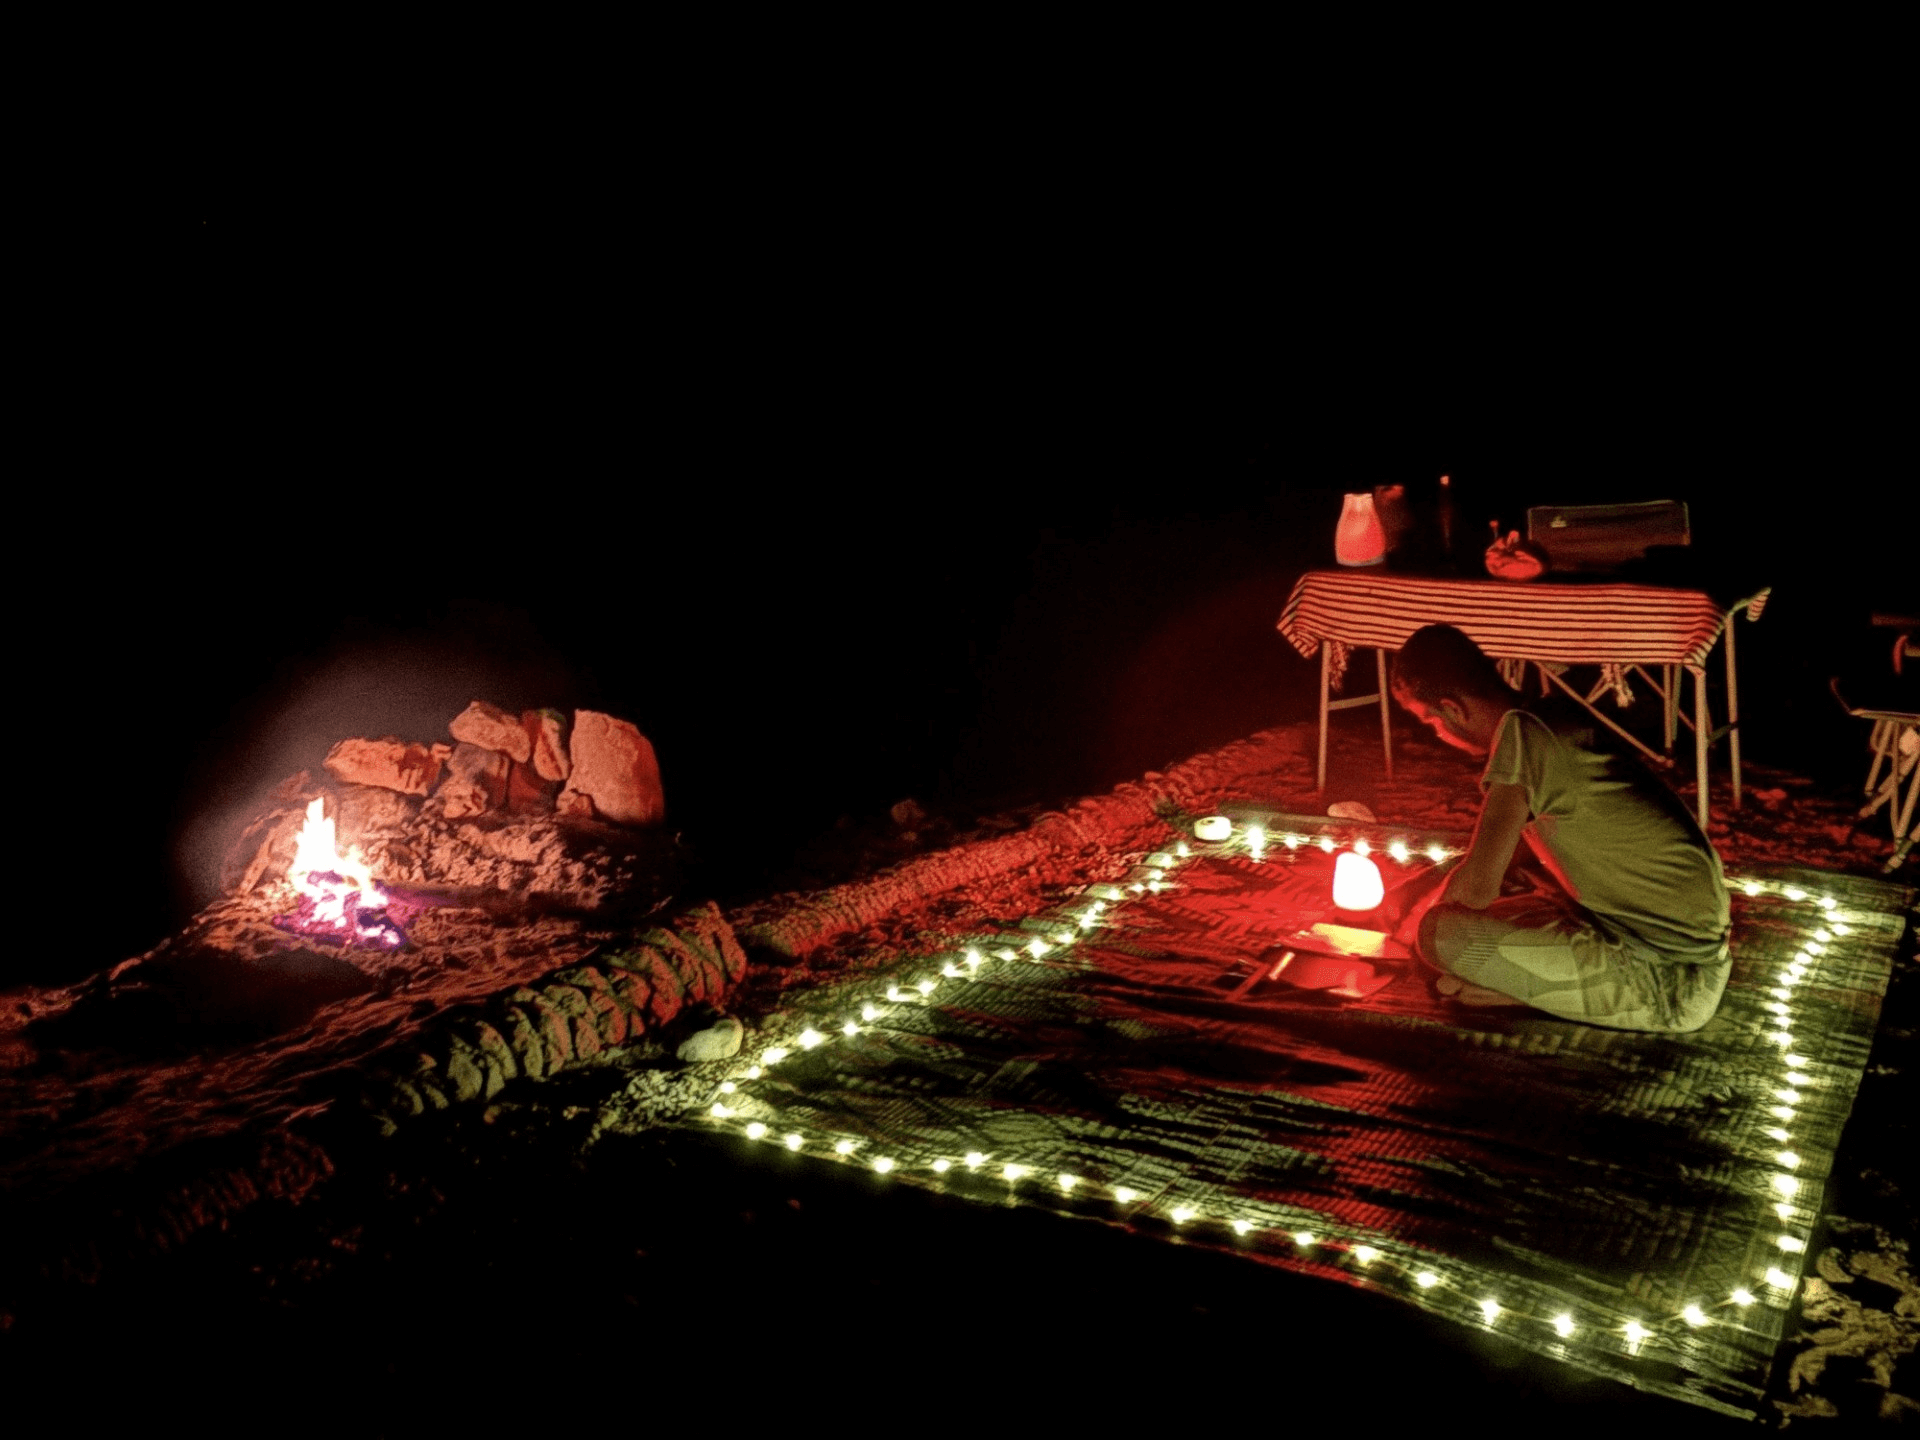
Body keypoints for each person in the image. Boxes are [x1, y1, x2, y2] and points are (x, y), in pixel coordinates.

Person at [1387, 624, 1731, 1032]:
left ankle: (1531, 994)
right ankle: (1517, 990)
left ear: (1453, 709)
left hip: (1671, 978)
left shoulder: (1524, 736)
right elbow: (1513, 856)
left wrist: (1408, 932)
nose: (1438, 735)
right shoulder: (1548, 716)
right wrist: (1420, 884)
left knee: (1439, 936)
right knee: (1506, 904)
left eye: (1431, 722)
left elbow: (1476, 887)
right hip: (1641, 932)